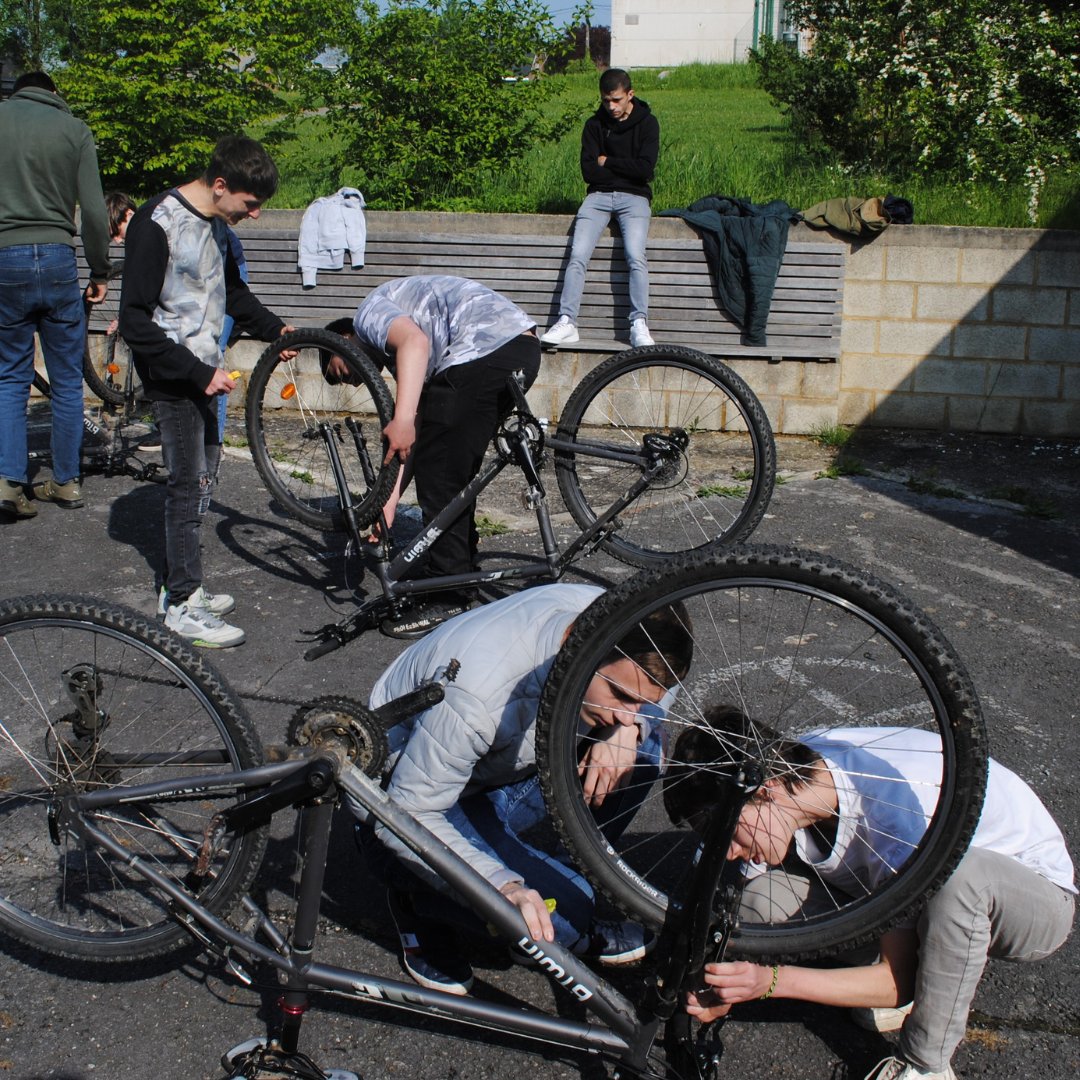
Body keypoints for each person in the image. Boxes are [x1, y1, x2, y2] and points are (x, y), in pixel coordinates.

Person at [671, 708, 1076, 1080]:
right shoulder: (791, 775)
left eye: (726, 833)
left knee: (959, 878)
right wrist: (716, 979)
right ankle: (908, 962)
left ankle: (927, 1063)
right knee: (758, 901)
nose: (728, 851)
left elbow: (896, 981)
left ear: (765, 789)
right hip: (902, 886)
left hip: (1030, 895)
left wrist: (768, 981)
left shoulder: (900, 825)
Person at [352, 583, 693, 995]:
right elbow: (407, 816)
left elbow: (664, 681)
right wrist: (504, 886)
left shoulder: (613, 614)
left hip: (497, 769)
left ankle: (543, 885)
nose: (625, 712)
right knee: (565, 915)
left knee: (642, 752)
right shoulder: (476, 694)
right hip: (415, 799)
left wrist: (629, 729)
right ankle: (416, 898)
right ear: (575, 643)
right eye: (620, 695)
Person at [118, 136, 294, 648]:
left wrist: (275, 329)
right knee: (185, 483)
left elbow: (231, 292)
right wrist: (196, 374)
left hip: (205, 370)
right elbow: (133, 321)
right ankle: (181, 603)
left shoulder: (216, 225)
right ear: (221, 186)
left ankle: (186, 585)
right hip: (175, 376)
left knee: (202, 479)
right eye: (250, 204)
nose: (255, 215)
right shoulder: (157, 223)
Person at [325, 274, 541, 636]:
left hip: (483, 349)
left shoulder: (368, 315)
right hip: (519, 348)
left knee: (440, 474)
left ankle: (448, 595)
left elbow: (415, 342)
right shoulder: (401, 354)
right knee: (449, 466)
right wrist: (387, 505)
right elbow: (417, 437)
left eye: (340, 370)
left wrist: (402, 418)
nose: (353, 382)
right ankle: (459, 567)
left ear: (343, 339)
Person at [0, 70, 111, 520]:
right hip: (59, 255)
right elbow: (95, 215)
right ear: (54, 93)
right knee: (66, 379)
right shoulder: (74, 130)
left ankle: (8, 482)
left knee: (9, 376)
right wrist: (100, 269)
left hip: (4, 257)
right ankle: (65, 482)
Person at [541, 68, 660, 350]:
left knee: (635, 255)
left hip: (635, 198)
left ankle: (639, 323)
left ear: (630, 95)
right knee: (578, 255)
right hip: (598, 196)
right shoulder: (594, 125)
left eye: (616, 100)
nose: (611, 106)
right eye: (606, 101)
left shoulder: (648, 124)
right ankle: (567, 321)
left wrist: (608, 162)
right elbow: (589, 172)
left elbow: (645, 169)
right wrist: (618, 169)